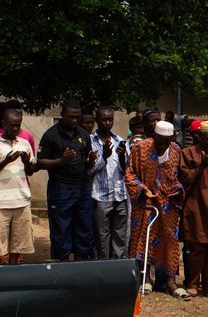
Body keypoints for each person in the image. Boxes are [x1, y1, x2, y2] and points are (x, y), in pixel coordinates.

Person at [125, 120, 186, 298]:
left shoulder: (176, 150)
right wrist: (142, 191)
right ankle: (145, 279)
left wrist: (177, 190)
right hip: (146, 201)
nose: (163, 146)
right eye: (160, 142)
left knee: (170, 240)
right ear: (154, 137)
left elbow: (179, 177)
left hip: (168, 204)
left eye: (167, 142)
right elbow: (129, 173)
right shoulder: (140, 148)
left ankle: (170, 281)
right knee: (144, 238)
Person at [37, 99, 96, 261]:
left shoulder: (83, 134)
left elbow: (87, 161)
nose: (75, 120)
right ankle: (62, 268)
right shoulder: (51, 135)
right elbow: (40, 162)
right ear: (62, 115)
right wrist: (60, 161)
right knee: (61, 230)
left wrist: (91, 160)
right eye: (71, 117)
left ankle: (80, 269)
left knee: (84, 229)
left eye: (77, 117)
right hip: (61, 189)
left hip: (83, 189)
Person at [178, 120, 208, 298]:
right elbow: (185, 181)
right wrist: (202, 166)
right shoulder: (187, 153)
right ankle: (193, 284)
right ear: (199, 137)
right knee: (196, 247)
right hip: (196, 205)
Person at [89, 105, 128, 259]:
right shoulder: (91, 141)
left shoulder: (119, 141)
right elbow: (89, 170)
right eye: (103, 119)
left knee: (120, 235)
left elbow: (127, 170)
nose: (107, 123)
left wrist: (121, 158)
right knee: (102, 235)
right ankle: (104, 267)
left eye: (110, 120)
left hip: (120, 194)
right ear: (97, 120)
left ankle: (116, 268)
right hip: (101, 196)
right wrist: (104, 157)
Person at [0, 106, 37, 264]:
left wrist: (26, 162)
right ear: (4, 124)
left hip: (21, 200)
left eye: (18, 125)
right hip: (1, 202)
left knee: (18, 246)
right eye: (12, 125)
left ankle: (13, 274)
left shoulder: (24, 143)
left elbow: (30, 171)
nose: (16, 128)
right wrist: (7, 160)